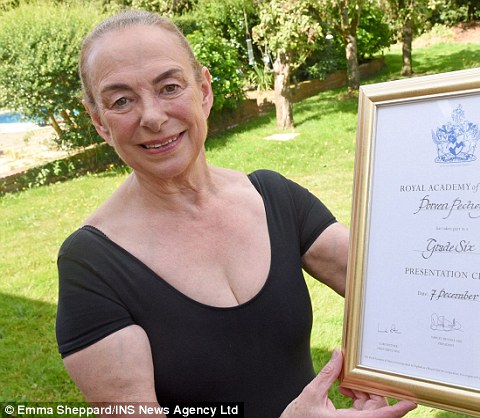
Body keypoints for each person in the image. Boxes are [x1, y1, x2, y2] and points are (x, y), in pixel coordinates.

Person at [55, 10, 416, 418]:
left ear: (204, 91)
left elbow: (392, 287)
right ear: (100, 122)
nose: (152, 116)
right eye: (121, 101)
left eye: (169, 87)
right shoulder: (92, 264)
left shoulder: (274, 198)